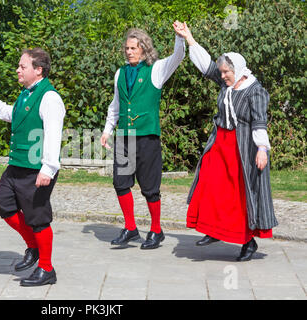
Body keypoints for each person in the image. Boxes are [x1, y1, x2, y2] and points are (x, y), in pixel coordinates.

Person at [176, 22, 277, 261]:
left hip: (244, 147)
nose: (222, 76)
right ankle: (213, 230)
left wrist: (262, 148)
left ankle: (247, 242)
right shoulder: (225, 81)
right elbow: (206, 65)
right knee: (209, 183)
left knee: (239, 195)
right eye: (221, 73)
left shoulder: (255, 91)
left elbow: (259, 121)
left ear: (238, 71)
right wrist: (189, 37)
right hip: (220, 141)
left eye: (226, 73)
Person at [0, 48, 65, 286]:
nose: (18, 70)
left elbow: (54, 135)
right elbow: (13, 114)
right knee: (3, 204)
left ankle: (46, 268)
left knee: (39, 219)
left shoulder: (50, 97)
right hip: (16, 166)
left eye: (22, 66)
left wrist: (48, 169)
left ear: (38, 70)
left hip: (36, 169)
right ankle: (33, 246)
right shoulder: (25, 95)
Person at [100, 22, 185, 249]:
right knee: (121, 183)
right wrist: (108, 130)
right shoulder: (120, 73)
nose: (129, 52)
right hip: (125, 137)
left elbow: (177, 57)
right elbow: (115, 105)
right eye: (127, 48)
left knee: (149, 187)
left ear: (144, 49)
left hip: (147, 137)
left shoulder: (156, 70)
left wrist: (179, 37)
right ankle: (130, 228)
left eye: (134, 48)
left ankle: (156, 230)